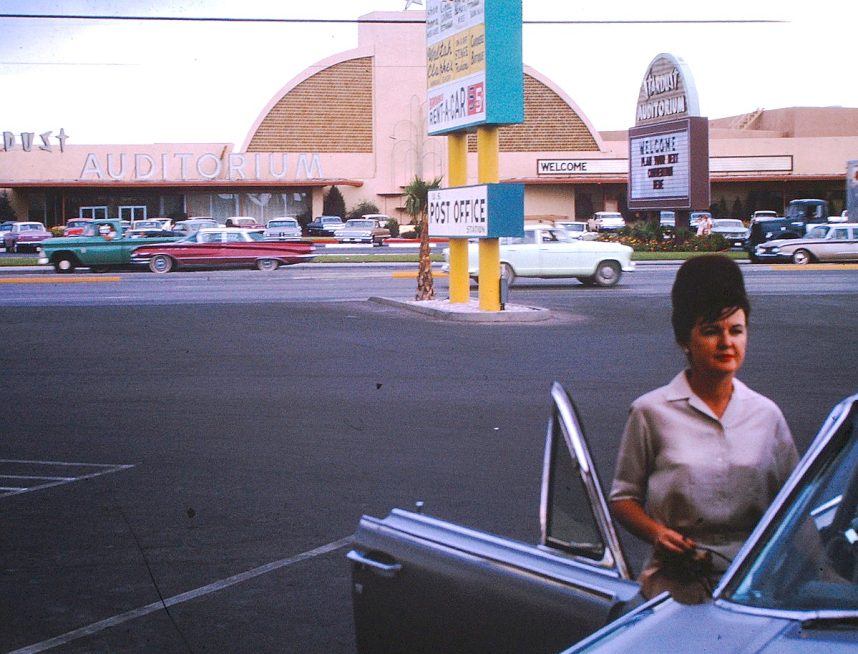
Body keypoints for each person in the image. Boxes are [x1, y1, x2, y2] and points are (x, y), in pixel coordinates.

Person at [608, 255, 799, 604]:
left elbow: (796, 507)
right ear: (685, 339)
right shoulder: (650, 412)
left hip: (754, 588)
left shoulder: (767, 415)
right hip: (674, 587)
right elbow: (623, 499)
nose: (727, 343)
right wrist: (657, 534)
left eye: (736, 331)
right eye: (711, 331)